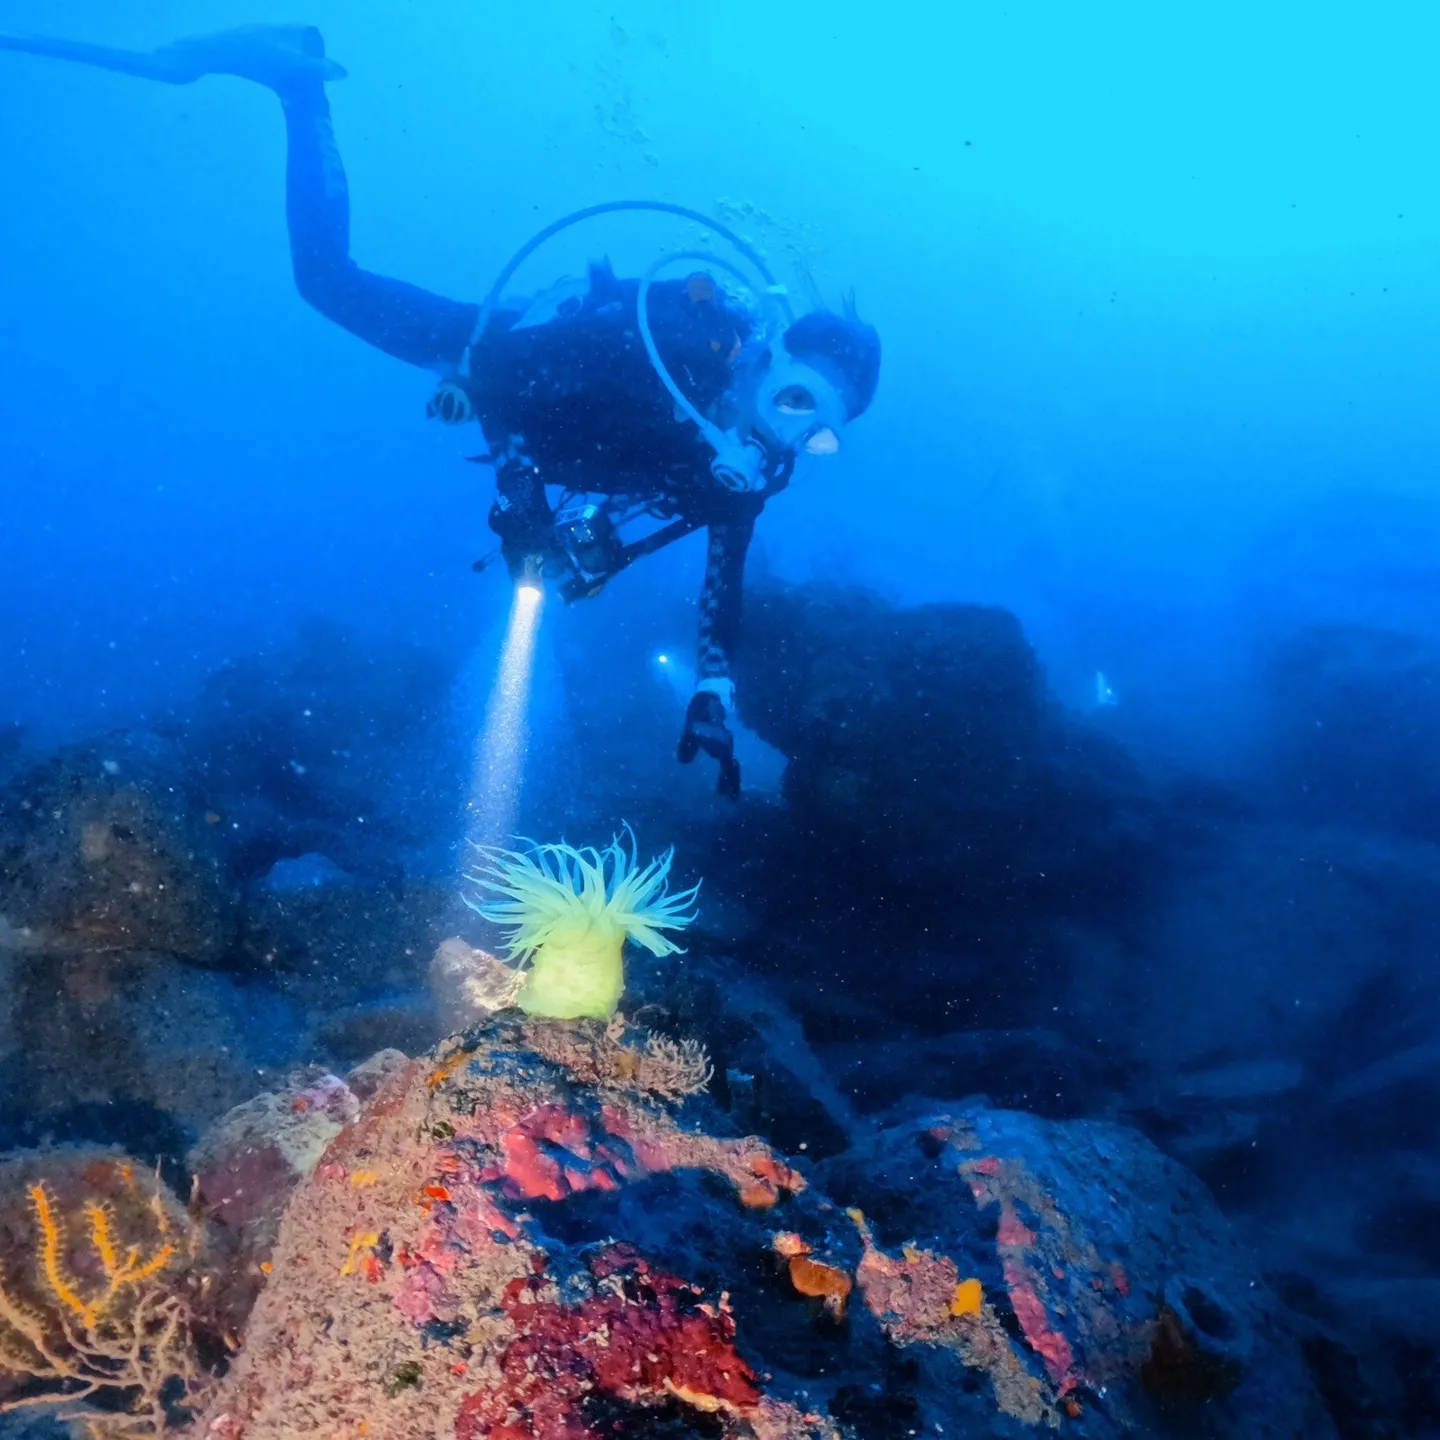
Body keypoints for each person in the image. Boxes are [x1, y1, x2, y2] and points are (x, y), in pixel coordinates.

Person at [1, 24, 881, 800]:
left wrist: (712, 691)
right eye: (798, 401)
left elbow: (723, 580)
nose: (795, 434)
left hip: (552, 430)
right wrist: (523, 493)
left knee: (335, 291)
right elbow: (498, 380)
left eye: (823, 432)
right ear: (768, 358)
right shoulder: (668, 345)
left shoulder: (755, 465)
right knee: (327, 281)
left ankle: (295, 80)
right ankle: (297, 82)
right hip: (496, 348)